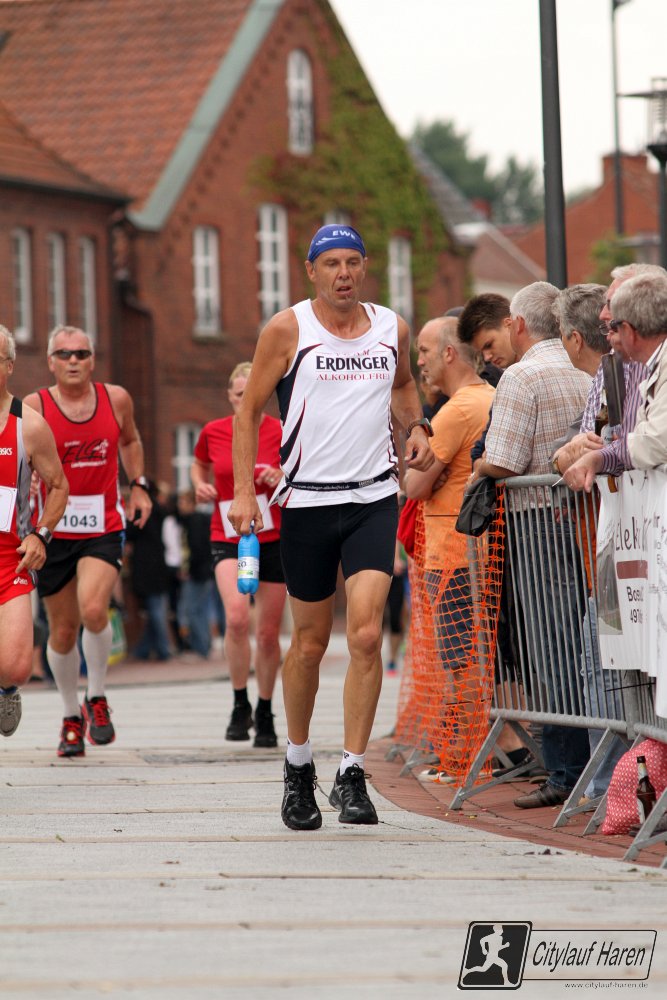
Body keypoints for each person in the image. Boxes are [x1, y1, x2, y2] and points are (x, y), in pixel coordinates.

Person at [228, 224, 434, 830]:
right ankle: (298, 766)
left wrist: (418, 426)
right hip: (307, 504)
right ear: (311, 270)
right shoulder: (288, 329)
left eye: (352, 262)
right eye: (331, 264)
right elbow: (249, 411)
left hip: (372, 497)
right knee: (311, 644)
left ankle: (351, 771)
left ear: (364, 267)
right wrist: (243, 492)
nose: (343, 274)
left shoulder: (391, 328)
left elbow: (403, 386)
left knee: (366, 635)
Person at [474, 282, 593, 808]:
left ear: (518, 323)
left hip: (538, 521)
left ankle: (566, 771)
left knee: (551, 647)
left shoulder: (522, 376)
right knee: (585, 643)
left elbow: (503, 460)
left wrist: (478, 466)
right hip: (587, 519)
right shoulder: (585, 366)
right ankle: (592, 767)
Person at [25, 325, 152, 757]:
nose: (73, 360)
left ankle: (96, 695)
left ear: (93, 360)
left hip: (102, 525)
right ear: (50, 362)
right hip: (52, 529)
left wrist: (139, 485)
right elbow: (20, 459)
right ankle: (69, 715)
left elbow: (131, 440)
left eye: (81, 353)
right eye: (64, 354)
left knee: (95, 608)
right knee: (62, 630)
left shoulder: (115, 399)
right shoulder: (35, 407)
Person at [191, 363, 285, 748]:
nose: (245, 400)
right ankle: (239, 702)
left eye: (251, 393)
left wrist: (280, 476)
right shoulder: (213, 431)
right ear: (229, 397)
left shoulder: (281, 430)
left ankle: (265, 709)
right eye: (238, 395)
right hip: (228, 533)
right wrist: (199, 485)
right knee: (236, 617)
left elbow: (300, 471)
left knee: (268, 632)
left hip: (273, 535)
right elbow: (199, 464)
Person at [0, 325, 68, 737]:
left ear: (9, 365)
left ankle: (6, 689)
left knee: (17, 666)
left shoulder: (29, 425)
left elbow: (59, 485)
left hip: (10, 558)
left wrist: (40, 534)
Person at [126, 480, 172, 662]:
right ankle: (144, 649)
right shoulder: (160, 510)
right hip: (159, 562)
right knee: (156, 608)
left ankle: (163, 648)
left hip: (145, 565)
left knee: (155, 609)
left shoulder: (141, 510)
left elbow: (130, 532)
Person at [176, 489, 214, 659]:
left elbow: (197, 549)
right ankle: (205, 646)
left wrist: (189, 569)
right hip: (204, 572)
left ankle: (201, 648)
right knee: (199, 609)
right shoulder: (195, 520)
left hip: (197, 573)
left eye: (183, 502)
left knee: (191, 610)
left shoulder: (194, 521)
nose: (180, 506)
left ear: (192, 504)